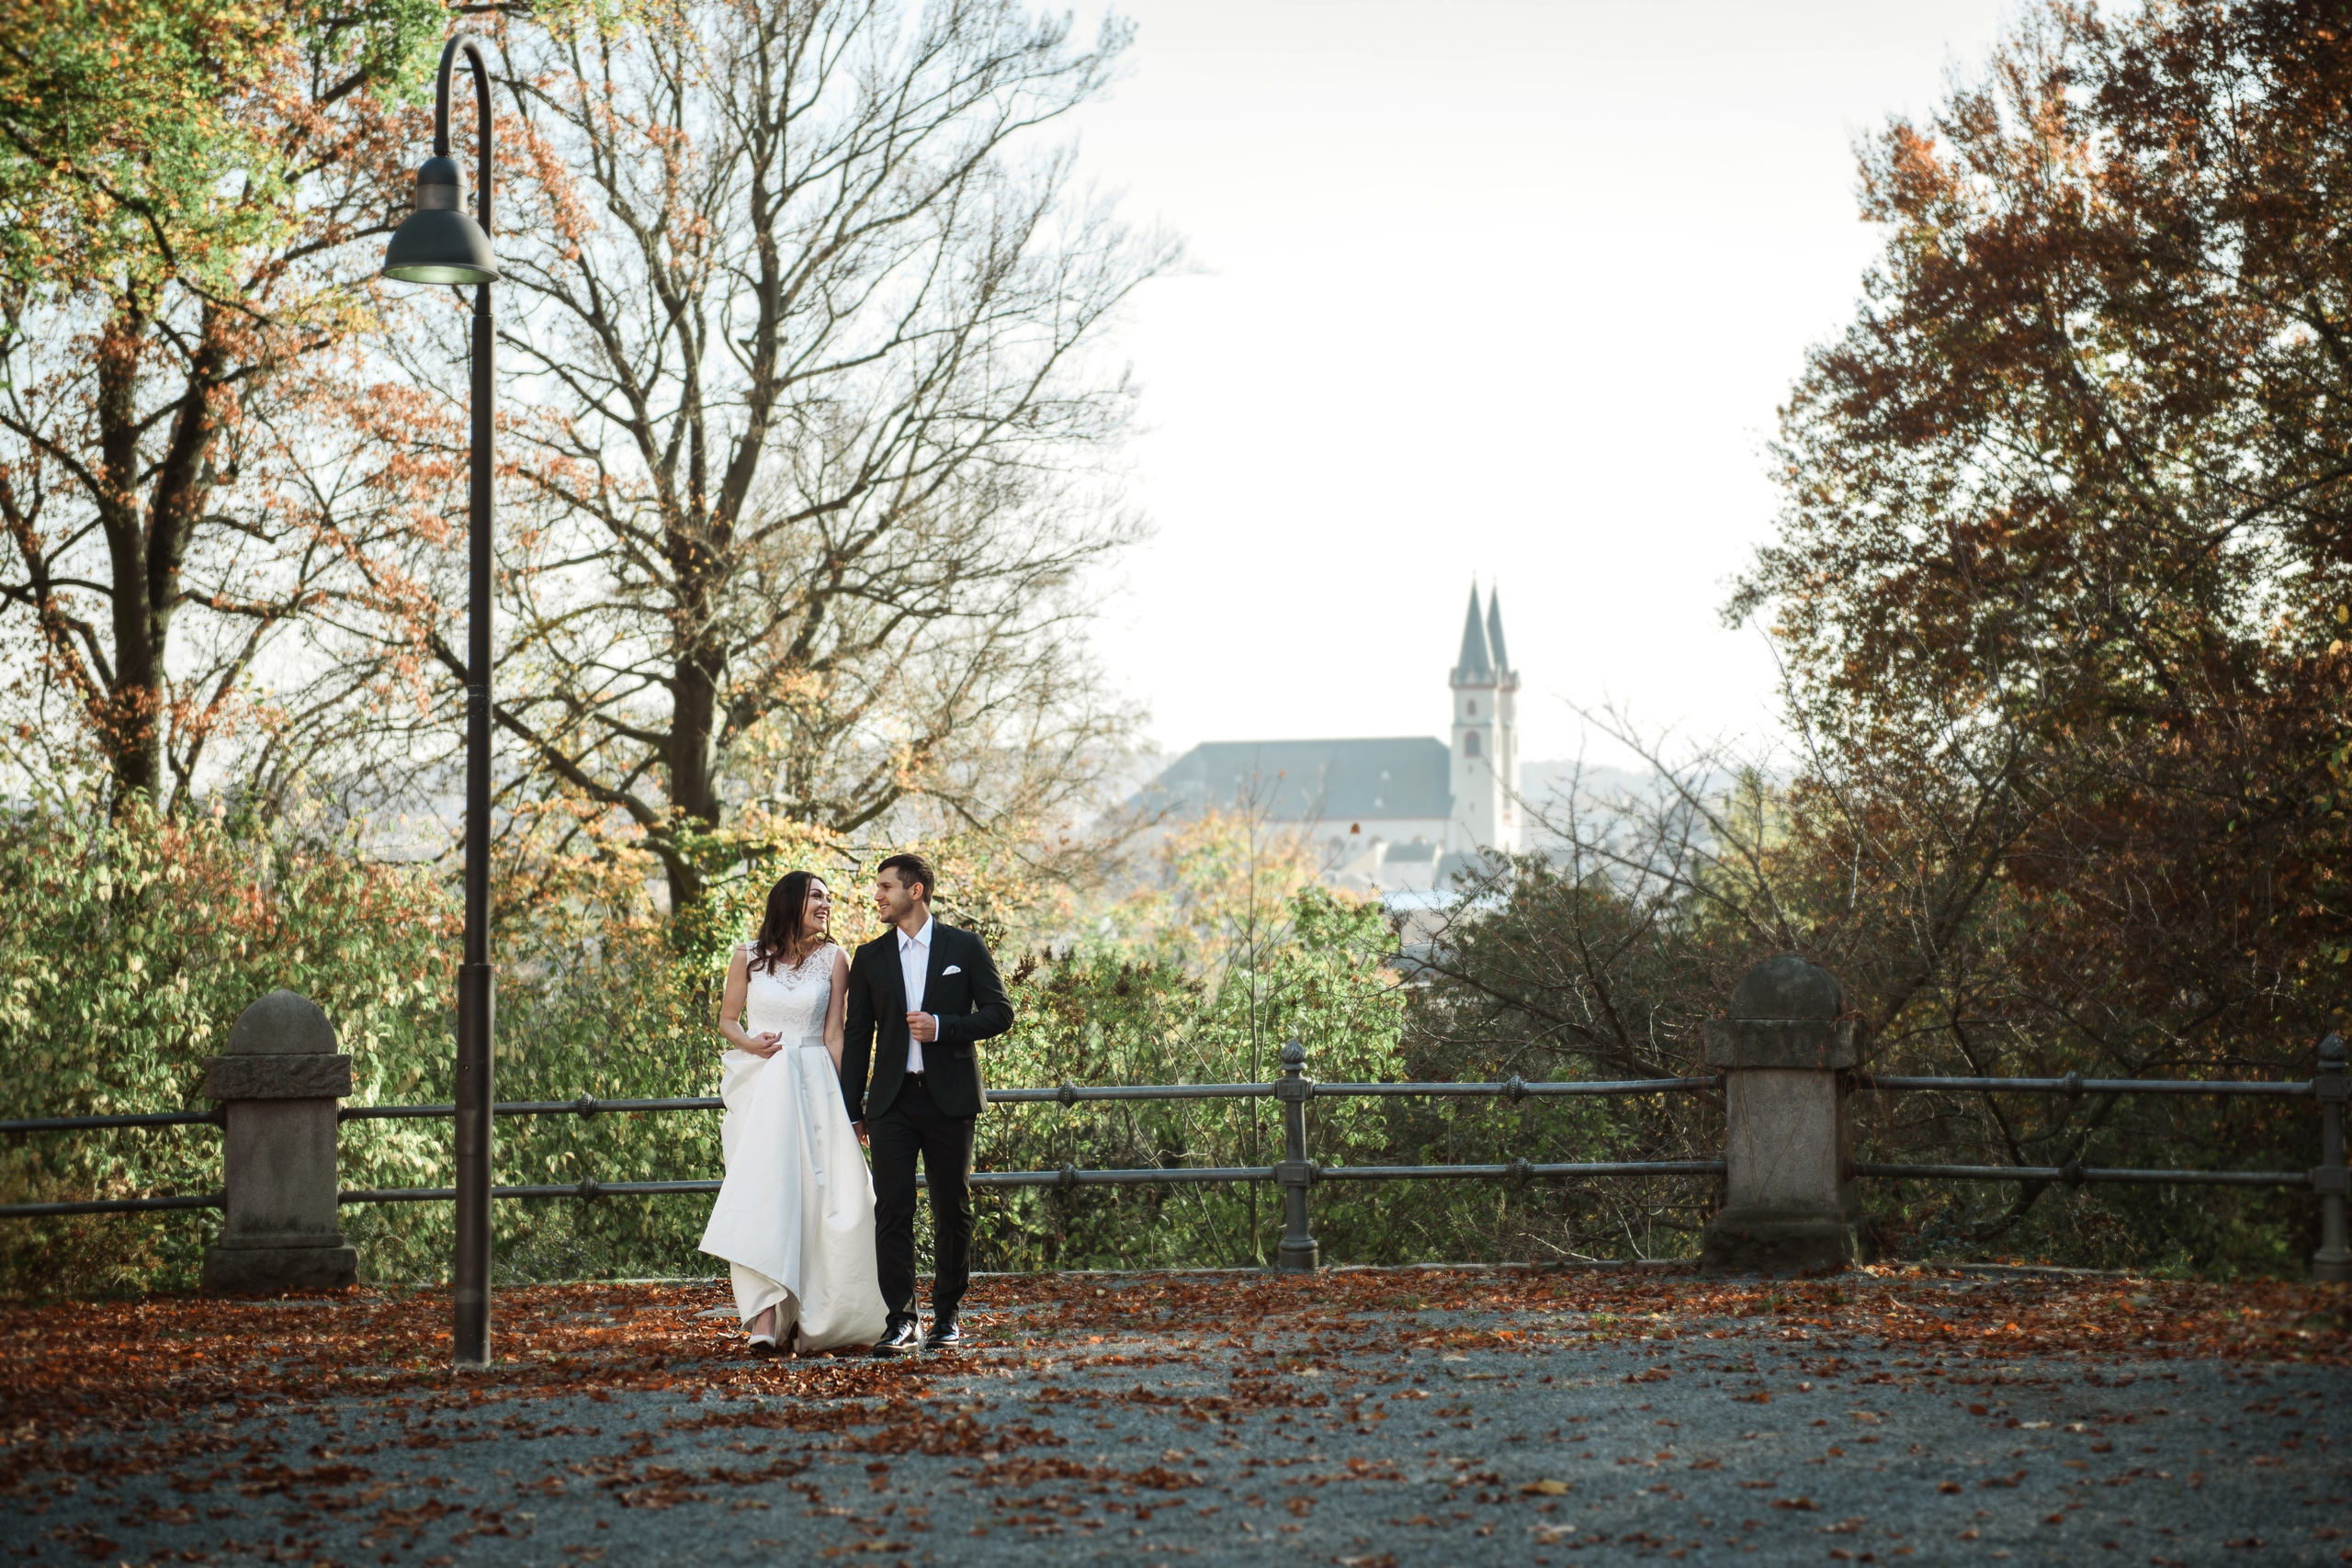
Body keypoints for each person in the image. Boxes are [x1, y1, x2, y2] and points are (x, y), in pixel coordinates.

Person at [699, 871, 888, 1356]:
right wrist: (752, 1044)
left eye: (828, 897)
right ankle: (765, 1314)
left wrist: (851, 1104)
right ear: (790, 901)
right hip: (764, 1085)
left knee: (829, 1197)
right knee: (766, 1193)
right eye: (816, 896)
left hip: (816, 1084)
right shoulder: (747, 956)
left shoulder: (835, 958)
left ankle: (819, 1315)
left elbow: (835, 1034)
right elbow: (727, 1020)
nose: (826, 904)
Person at [841, 852, 1013, 1354]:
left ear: (914, 891)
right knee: (891, 1210)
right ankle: (901, 1320)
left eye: (885, 887)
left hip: (950, 1101)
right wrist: (852, 1110)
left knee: (952, 1209)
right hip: (891, 1103)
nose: (877, 895)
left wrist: (943, 1027)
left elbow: (1000, 1013)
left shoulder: (965, 946)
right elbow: (857, 1037)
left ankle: (948, 1316)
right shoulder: (869, 957)